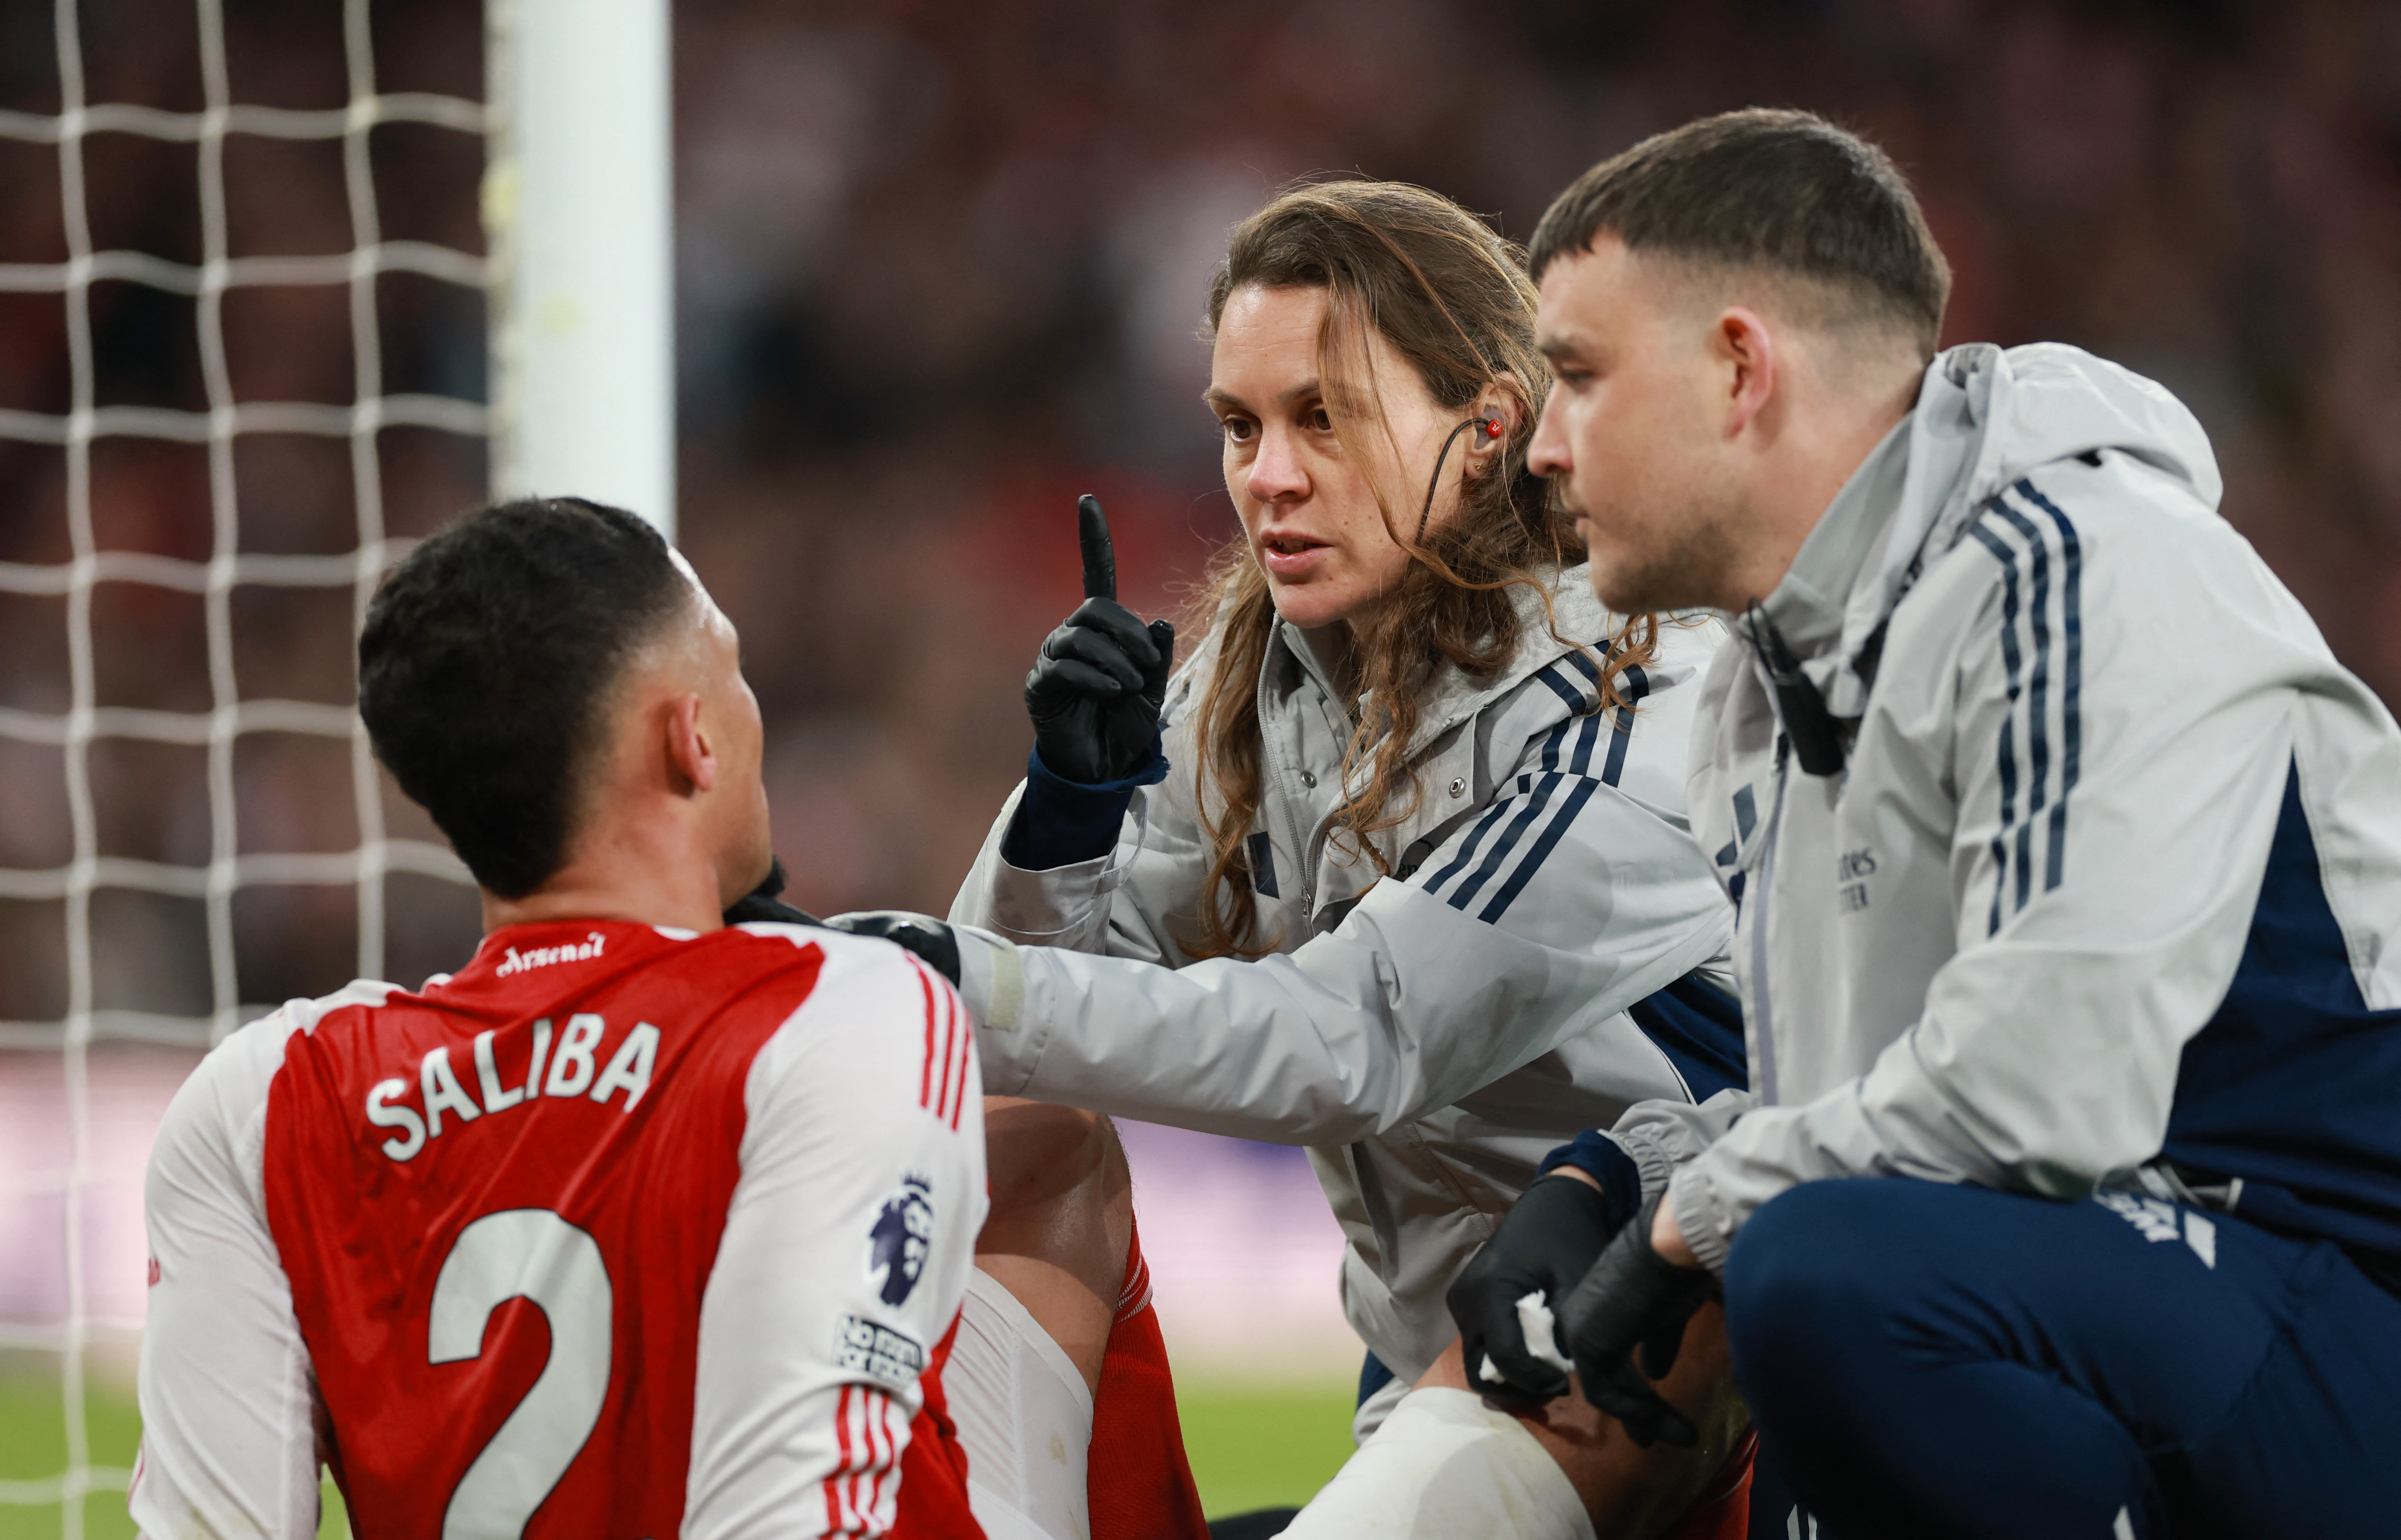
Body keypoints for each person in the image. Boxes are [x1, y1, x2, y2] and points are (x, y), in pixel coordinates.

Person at [1461, 108, 2401, 1539]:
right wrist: (1614, 1177)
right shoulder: (1767, 691)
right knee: (1762, 1299)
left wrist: (1685, 1217)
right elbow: (1866, 1103)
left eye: (1578, 376)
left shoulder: (2080, 568)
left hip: (2337, 1305)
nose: (1541, 445)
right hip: (2145, 1296)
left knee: (1830, 1280)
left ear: (1738, 367)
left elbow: (2037, 1096)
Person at [901, 180, 1758, 1534]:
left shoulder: (1634, 696)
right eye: (1241, 426)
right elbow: (1015, 1039)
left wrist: (952, 972)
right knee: (1024, 1124)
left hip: (1673, 1366)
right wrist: (1063, 812)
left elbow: (1354, 1039)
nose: (1269, 476)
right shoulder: (1264, 686)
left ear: (1486, 428)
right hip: (1429, 1371)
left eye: (1324, 417)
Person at [130, 497, 1180, 1540]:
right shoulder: (835, 1008)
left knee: (1044, 1144)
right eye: (731, 669)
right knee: (1055, 1145)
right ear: (693, 739)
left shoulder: (261, 1094)